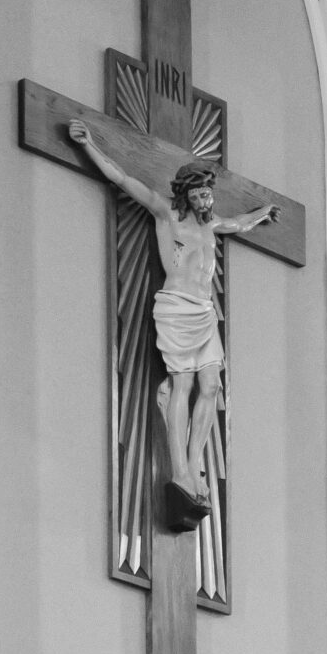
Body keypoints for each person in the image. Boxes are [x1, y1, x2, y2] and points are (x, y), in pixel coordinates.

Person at [66, 117, 274, 528]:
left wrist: (263, 211)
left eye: (207, 192)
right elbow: (123, 178)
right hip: (177, 307)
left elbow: (241, 223)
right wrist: (90, 145)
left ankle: (195, 467)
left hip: (203, 311)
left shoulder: (213, 226)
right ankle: (179, 467)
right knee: (183, 384)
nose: (204, 199)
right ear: (185, 194)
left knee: (211, 386)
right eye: (197, 192)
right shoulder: (166, 215)